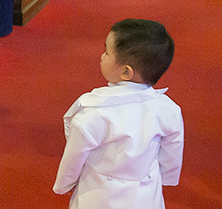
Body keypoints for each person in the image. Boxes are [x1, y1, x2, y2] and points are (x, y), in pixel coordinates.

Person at [54, 19, 183, 209]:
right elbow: (173, 150)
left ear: (126, 71)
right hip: (146, 191)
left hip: (99, 192)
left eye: (107, 52)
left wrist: (65, 184)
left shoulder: (95, 110)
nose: (102, 56)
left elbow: (75, 155)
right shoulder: (168, 109)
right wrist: (167, 176)